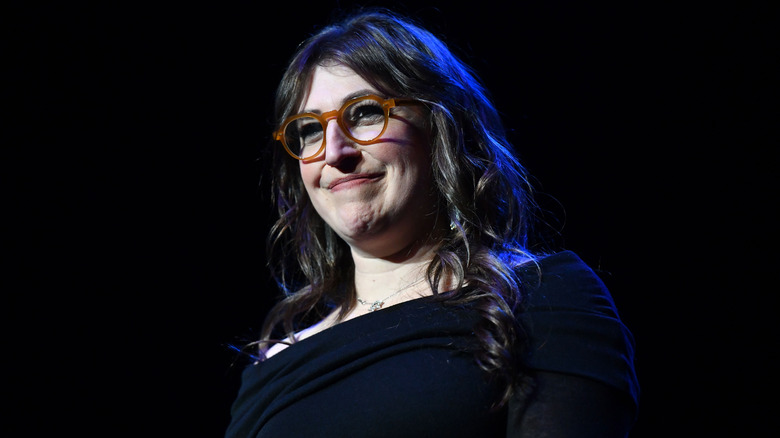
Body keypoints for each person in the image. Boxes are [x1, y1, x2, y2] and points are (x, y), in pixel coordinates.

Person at [225, 8, 639, 438]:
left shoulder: (540, 299)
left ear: (440, 125)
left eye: (365, 113)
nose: (333, 153)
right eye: (309, 129)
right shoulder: (273, 367)